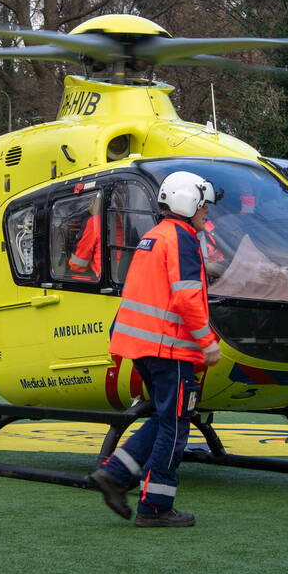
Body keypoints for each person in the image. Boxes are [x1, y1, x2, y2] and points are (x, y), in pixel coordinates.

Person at [89, 171, 222, 527]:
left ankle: (115, 474)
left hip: (144, 347)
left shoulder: (154, 236)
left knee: (167, 419)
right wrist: (207, 341)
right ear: (187, 202)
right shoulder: (182, 238)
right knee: (176, 426)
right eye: (204, 206)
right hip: (171, 350)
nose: (207, 213)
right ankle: (155, 507)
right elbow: (187, 296)